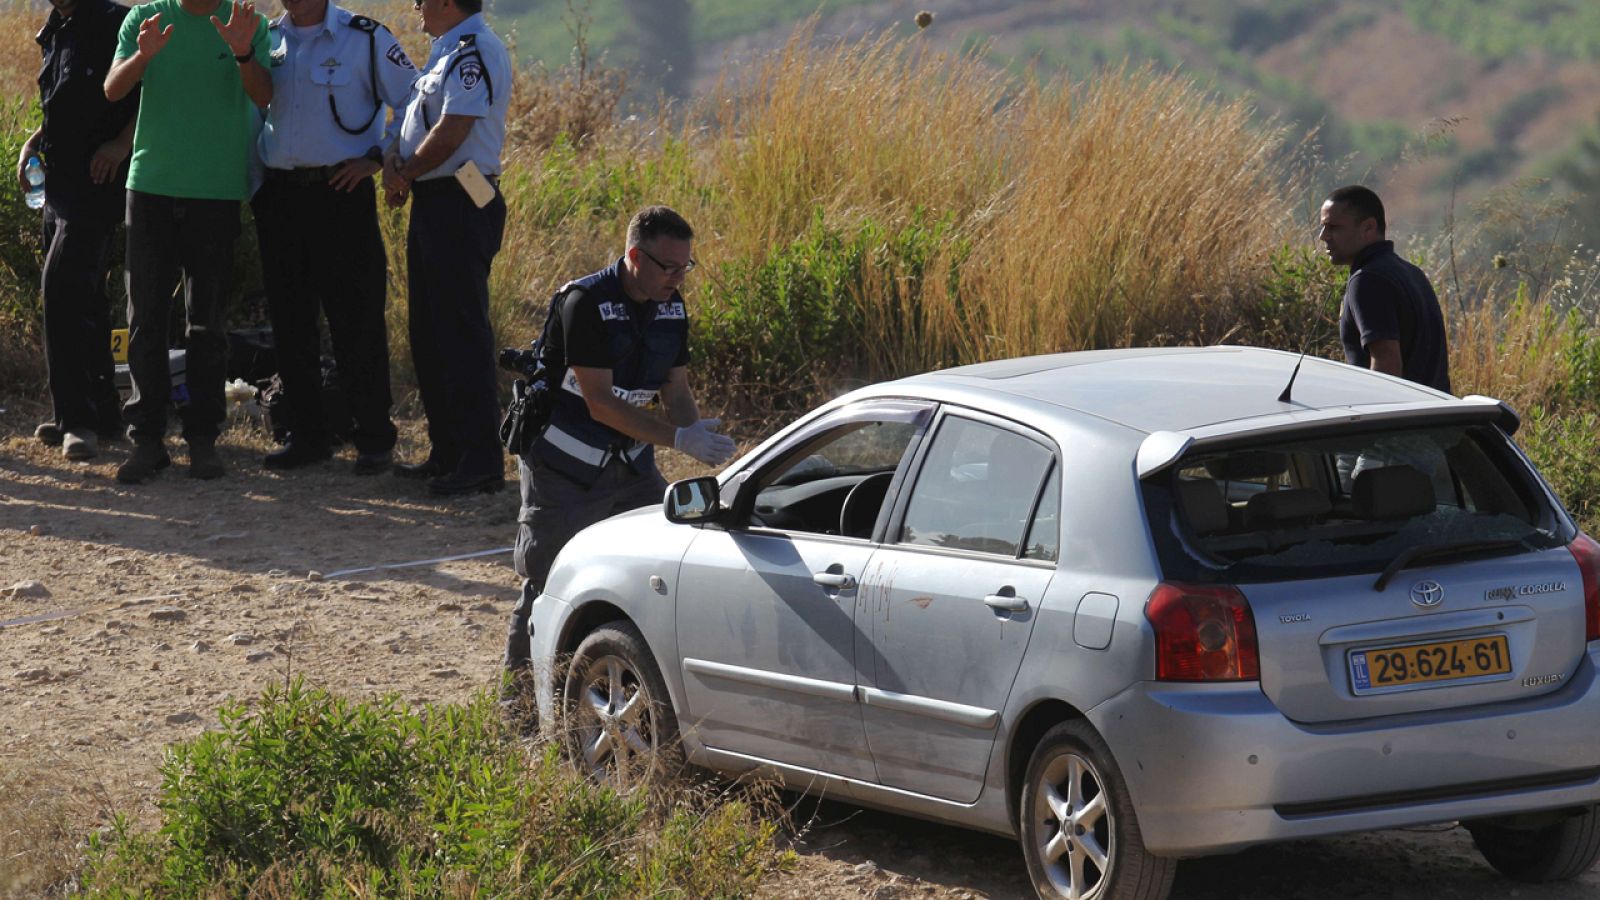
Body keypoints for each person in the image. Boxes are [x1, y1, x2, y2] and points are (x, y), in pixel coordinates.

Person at [502, 205, 736, 685]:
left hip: (631, 467)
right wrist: (678, 438)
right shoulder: (586, 302)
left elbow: (675, 391)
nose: (678, 278)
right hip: (565, 469)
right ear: (634, 257)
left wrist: (697, 433)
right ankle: (519, 703)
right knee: (549, 582)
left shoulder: (672, 307)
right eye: (668, 267)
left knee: (659, 566)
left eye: (686, 267)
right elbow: (601, 403)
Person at [104, 0, 271, 483]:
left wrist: (243, 53)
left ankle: (202, 439)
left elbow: (265, 96)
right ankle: (147, 440)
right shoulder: (146, 19)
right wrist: (144, 56)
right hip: (150, 188)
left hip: (215, 192)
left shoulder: (246, 22)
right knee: (145, 319)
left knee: (207, 324)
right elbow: (113, 89)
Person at [252, 0, 414, 475]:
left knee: (356, 317)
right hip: (280, 194)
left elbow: (414, 99)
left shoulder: (365, 37)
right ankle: (306, 436)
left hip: (341, 191)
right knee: (290, 320)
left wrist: (379, 157)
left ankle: (374, 437)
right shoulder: (265, 39)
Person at [382, 0, 510, 496]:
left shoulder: (475, 50)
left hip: (462, 198)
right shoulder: (445, 51)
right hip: (435, 198)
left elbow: (455, 126)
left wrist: (407, 172)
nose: (416, 5)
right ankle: (448, 452)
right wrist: (397, 164)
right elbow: (417, 121)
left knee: (460, 332)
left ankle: (480, 461)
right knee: (430, 332)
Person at [23, 0, 138, 461]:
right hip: (58, 187)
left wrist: (120, 144)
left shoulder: (117, 23)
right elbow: (63, 105)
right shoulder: (56, 29)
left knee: (61, 291)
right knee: (87, 300)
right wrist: (33, 143)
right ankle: (102, 413)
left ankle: (77, 424)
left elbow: (155, 93)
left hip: (97, 187)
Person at [1319, 184, 1451, 393]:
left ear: (1368, 227)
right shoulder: (1412, 272)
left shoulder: (1368, 280)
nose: (1323, 236)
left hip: (1400, 412)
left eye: (1333, 227)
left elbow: (1386, 364)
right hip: (1434, 410)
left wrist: (1372, 411)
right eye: (1323, 227)